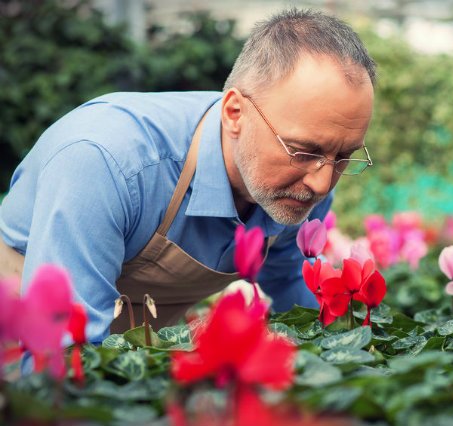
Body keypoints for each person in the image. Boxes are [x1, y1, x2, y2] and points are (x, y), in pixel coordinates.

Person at [0, 8, 376, 343]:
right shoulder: (106, 162)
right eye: (302, 150)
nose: (322, 184)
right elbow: (63, 348)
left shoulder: (302, 182)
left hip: (134, 360)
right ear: (234, 113)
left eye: (343, 156)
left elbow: (287, 281)